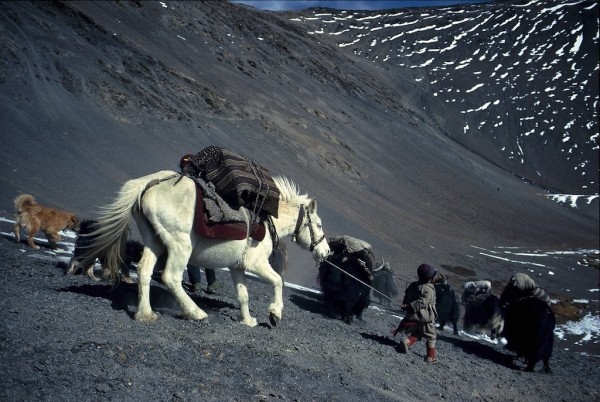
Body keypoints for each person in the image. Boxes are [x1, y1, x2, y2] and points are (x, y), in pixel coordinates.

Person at [390, 263, 439, 363]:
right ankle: (431, 357)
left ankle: (407, 342)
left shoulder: (413, 285)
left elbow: (406, 297)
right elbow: (423, 302)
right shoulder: (428, 289)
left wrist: (406, 305)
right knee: (431, 336)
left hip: (413, 316)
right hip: (425, 318)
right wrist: (409, 306)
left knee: (417, 332)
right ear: (430, 277)